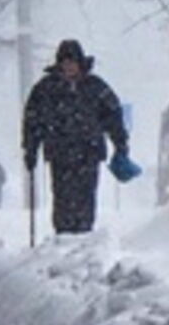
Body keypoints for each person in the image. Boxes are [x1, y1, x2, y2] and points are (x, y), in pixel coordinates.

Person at [22, 40, 132, 234]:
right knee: (62, 195)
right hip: (59, 151)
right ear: (59, 63)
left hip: (88, 151)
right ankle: (63, 234)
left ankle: (84, 232)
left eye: (72, 61)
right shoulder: (46, 88)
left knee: (86, 194)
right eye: (65, 62)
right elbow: (33, 120)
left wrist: (120, 144)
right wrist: (30, 148)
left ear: (80, 62)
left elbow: (113, 116)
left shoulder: (95, 87)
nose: (69, 66)